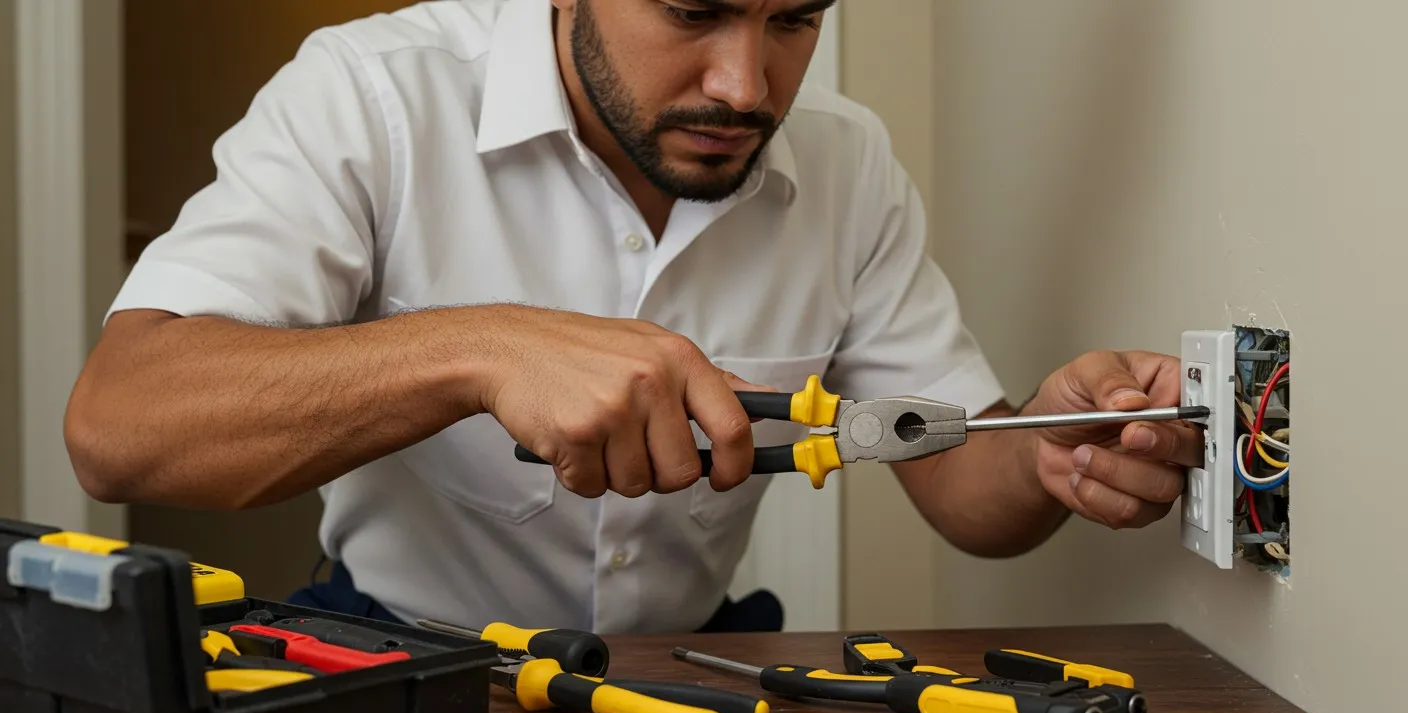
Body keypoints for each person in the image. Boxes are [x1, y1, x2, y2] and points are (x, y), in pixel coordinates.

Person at [63, 0, 1203, 634]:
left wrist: (1049, 447)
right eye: (693, 10)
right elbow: (119, 427)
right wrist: (479, 347)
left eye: (795, 19)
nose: (746, 86)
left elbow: (969, 496)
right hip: (395, 660)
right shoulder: (371, 97)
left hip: (700, 681)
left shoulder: (849, 165)